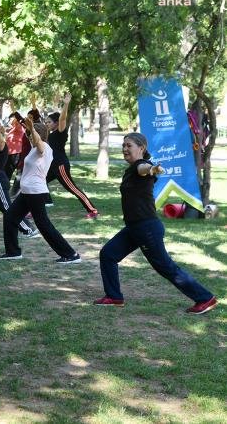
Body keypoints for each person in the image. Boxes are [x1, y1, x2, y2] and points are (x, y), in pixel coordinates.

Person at [93, 132, 217, 314]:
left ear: (141, 148)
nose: (125, 149)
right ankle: (114, 297)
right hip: (135, 227)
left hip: (146, 228)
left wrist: (152, 169)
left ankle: (205, 298)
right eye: (124, 145)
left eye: (129, 145)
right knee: (108, 254)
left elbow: (144, 168)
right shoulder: (131, 169)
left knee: (165, 267)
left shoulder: (142, 166)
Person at [0, 116, 81, 263]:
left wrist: (31, 128)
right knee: (10, 217)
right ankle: (13, 252)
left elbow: (39, 144)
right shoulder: (33, 149)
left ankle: (71, 255)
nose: (29, 136)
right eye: (29, 134)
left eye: (31, 134)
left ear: (39, 135)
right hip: (27, 193)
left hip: (36, 193)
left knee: (44, 225)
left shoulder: (44, 147)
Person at [45, 93, 99, 218]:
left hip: (60, 166)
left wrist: (66, 104)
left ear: (56, 123)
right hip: (52, 166)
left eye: (48, 122)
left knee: (73, 189)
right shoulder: (52, 133)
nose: (46, 124)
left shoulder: (60, 132)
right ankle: (32, 209)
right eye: (46, 122)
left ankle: (93, 210)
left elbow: (62, 118)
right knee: (38, 182)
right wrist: (55, 104)